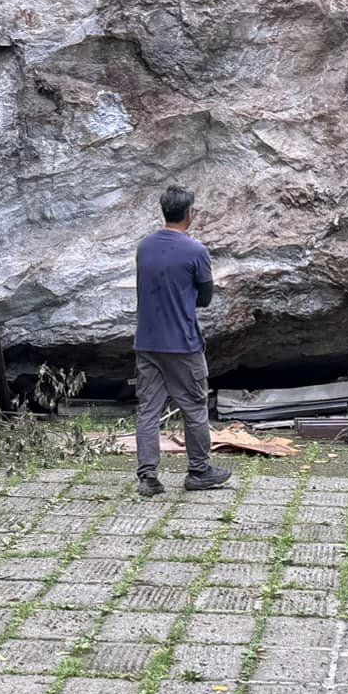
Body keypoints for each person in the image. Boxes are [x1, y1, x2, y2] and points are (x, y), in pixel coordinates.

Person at [132, 184, 230, 497]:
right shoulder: (196, 252)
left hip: (147, 341)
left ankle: (148, 477)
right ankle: (199, 471)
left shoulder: (144, 247)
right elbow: (205, 297)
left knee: (148, 410)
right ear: (190, 214)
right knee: (195, 406)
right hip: (182, 343)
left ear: (165, 211)